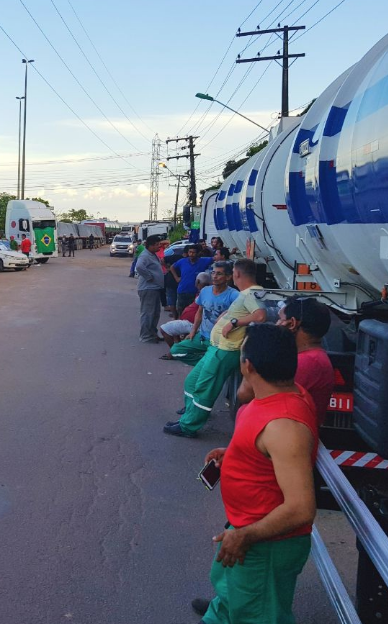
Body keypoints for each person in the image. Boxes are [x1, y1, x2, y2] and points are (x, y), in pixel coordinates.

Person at [191, 323, 318, 624]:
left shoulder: (283, 426)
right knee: (229, 601)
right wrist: (235, 454)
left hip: (263, 542)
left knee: (256, 615)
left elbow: (301, 509)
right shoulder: (271, 397)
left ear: (247, 365)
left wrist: (245, 535)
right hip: (243, 529)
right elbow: (262, 448)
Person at [164, 259, 266, 437]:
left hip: (225, 350)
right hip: (216, 347)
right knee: (192, 382)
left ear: (236, 274)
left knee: (204, 388)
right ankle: (188, 415)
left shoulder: (250, 294)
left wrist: (234, 322)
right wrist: (228, 314)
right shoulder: (245, 294)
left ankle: (189, 426)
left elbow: (260, 316)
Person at [237, 296, 335, 426]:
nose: (277, 323)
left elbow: (245, 394)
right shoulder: (310, 358)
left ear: (292, 323)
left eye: (280, 319)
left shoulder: (306, 362)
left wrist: (252, 353)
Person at [171, 261, 239, 366]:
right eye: (213, 273)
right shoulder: (205, 291)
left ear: (228, 277)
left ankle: (207, 364)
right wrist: (193, 331)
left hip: (220, 340)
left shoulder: (234, 295)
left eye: (219, 274)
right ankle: (204, 363)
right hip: (203, 336)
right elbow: (199, 312)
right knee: (176, 350)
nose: (215, 276)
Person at [159, 272, 210, 359]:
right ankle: (178, 349)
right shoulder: (206, 292)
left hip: (192, 324)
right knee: (175, 327)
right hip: (190, 322)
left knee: (163, 329)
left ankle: (174, 353)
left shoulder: (204, 293)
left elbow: (200, 313)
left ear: (197, 282)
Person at [135, 235, 165, 344]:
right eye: (157, 245)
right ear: (151, 245)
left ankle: (152, 333)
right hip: (148, 288)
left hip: (155, 288)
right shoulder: (145, 256)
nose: (159, 246)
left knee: (155, 313)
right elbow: (139, 267)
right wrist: (149, 277)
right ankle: (146, 336)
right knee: (148, 313)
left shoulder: (153, 255)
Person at [171, 244, 214, 319]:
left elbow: (215, 258)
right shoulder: (182, 261)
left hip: (195, 293)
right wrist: (176, 278)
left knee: (194, 313)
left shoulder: (203, 261)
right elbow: (172, 267)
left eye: (193, 252)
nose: (191, 254)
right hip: (182, 291)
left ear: (197, 253)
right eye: (190, 252)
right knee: (181, 312)